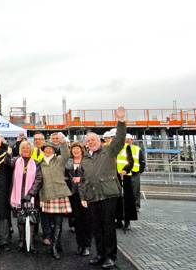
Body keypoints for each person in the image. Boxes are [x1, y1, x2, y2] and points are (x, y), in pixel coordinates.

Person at [80, 106, 127, 269]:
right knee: (96, 228)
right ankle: (100, 254)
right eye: (87, 141)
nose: (90, 143)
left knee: (108, 227)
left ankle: (110, 256)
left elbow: (120, 139)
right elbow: (84, 180)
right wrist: (83, 197)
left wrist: (121, 121)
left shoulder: (109, 151)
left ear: (99, 140)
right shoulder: (85, 159)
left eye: (92, 140)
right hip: (93, 197)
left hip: (108, 195)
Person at [39, 134, 71, 260]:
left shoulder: (59, 160)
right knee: (50, 222)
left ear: (54, 150)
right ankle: (56, 243)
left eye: (50, 148)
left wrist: (62, 142)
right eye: (45, 148)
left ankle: (54, 246)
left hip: (59, 193)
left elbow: (67, 154)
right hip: (46, 194)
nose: (48, 150)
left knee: (58, 222)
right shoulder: (40, 163)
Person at [10, 141, 42, 253]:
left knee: (32, 220)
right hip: (18, 196)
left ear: (31, 150)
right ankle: (21, 241)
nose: (25, 150)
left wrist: (31, 193)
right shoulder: (15, 161)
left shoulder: (37, 163)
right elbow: (5, 161)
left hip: (31, 197)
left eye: (27, 149)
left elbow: (38, 180)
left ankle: (31, 243)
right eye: (23, 148)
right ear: (20, 150)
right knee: (20, 220)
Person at [66, 142, 92, 256]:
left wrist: (81, 179)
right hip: (74, 194)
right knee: (77, 221)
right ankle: (79, 245)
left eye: (78, 149)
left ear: (82, 150)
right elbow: (65, 174)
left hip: (86, 194)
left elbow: (92, 176)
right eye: (73, 149)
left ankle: (86, 245)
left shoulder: (87, 161)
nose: (75, 151)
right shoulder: (69, 162)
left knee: (87, 221)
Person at [115, 137, 137, 230]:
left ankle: (127, 221)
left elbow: (131, 161)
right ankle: (118, 220)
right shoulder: (112, 148)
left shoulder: (126, 147)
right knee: (117, 199)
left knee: (127, 199)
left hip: (125, 176)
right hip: (115, 176)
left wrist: (125, 170)